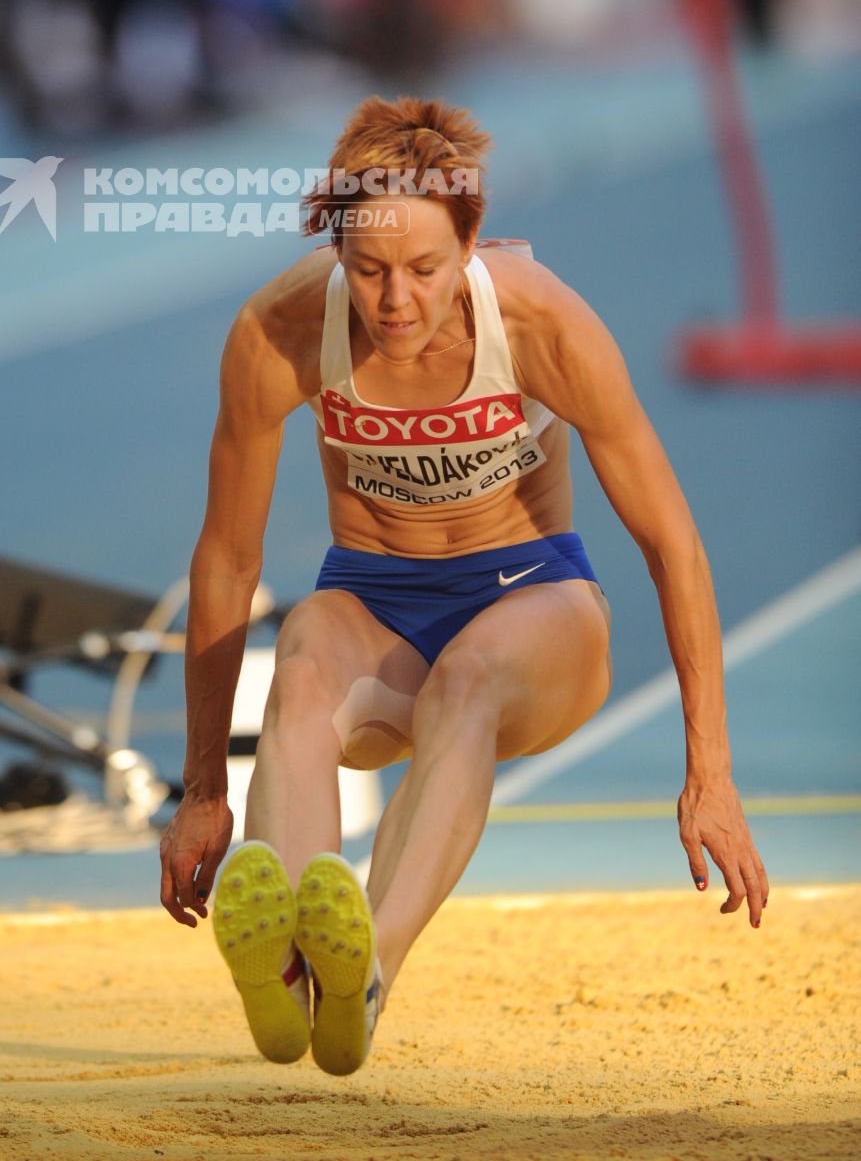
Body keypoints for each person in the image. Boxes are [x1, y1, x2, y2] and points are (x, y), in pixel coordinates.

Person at [159, 93, 768, 1076]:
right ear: (334, 250)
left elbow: (671, 542)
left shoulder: (539, 322)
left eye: (423, 271)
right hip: (373, 600)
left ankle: (362, 975)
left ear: (472, 247)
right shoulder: (276, 330)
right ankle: (286, 968)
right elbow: (227, 560)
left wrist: (711, 776)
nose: (394, 302)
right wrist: (200, 793)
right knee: (305, 651)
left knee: (469, 679)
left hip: (530, 602)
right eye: (366, 272)